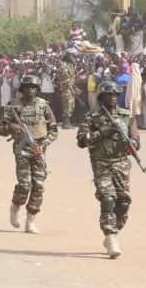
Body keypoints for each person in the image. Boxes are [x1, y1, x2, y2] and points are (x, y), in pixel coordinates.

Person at [77, 81, 140, 258]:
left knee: (123, 203)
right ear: (101, 97)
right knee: (107, 198)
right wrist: (104, 131)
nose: (112, 98)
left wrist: (131, 143)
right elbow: (82, 140)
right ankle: (110, 236)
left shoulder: (126, 116)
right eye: (108, 95)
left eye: (115, 95)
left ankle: (114, 230)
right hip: (101, 163)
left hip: (121, 164)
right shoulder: (92, 117)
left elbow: (136, 139)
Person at [0, 74, 58, 233]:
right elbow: (0, 130)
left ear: (37, 89)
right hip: (22, 150)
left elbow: (53, 130)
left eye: (33, 87)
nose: (30, 90)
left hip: (39, 150)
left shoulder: (44, 106)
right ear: (21, 89)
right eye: (27, 87)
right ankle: (15, 207)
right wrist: (12, 127)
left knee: (39, 186)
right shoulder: (13, 106)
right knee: (24, 185)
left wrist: (44, 143)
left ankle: (30, 220)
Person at [56, 52, 77, 128]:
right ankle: (66, 123)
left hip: (69, 88)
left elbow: (71, 79)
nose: (74, 58)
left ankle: (67, 123)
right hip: (66, 89)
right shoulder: (64, 65)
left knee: (71, 105)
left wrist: (74, 88)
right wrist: (72, 88)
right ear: (68, 57)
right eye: (72, 57)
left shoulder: (70, 66)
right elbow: (66, 79)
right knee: (67, 105)